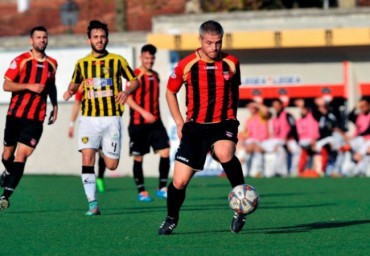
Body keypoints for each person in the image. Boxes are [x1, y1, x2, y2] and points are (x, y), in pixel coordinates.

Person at [158, 20, 246, 235]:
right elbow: (170, 92)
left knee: (224, 152)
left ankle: (241, 206)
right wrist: (179, 121)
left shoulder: (232, 63)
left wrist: (232, 117)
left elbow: (235, 91)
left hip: (223, 123)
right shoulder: (186, 65)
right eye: (209, 43)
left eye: (218, 42)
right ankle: (171, 218)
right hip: (195, 128)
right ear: (200, 40)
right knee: (179, 182)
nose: (214, 47)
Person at [63, 20, 138, 216]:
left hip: (112, 118)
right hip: (89, 119)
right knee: (87, 157)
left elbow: (135, 81)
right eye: (95, 37)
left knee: (112, 165)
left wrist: (127, 91)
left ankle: (104, 150)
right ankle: (92, 203)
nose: (99, 40)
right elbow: (74, 84)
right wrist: (69, 91)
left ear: (107, 39)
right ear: (89, 40)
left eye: (102, 36)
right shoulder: (81, 64)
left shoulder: (118, 60)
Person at [0, 26, 58, 210]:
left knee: (22, 156)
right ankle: (7, 172)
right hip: (15, 116)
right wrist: (29, 86)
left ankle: (6, 195)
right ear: (31, 41)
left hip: (35, 119)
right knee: (7, 155)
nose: (42, 40)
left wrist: (55, 105)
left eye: (44, 37)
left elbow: (51, 86)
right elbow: (6, 85)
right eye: (38, 37)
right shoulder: (21, 61)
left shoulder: (53, 64)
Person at [126, 44, 170, 202]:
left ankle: (162, 188)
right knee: (139, 158)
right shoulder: (134, 75)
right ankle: (142, 191)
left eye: (152, 58)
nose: (149, 61)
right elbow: (128, 99)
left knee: (165, 152)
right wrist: (143, 112)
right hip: (138, 124)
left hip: (156, 123)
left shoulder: (156, 75)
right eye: (146, 58)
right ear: (141, 58)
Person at [68, 85, 107, 193]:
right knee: (88, 155)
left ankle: (100, 178)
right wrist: (71, 124)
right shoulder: (82, 86)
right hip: (88, 124)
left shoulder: (103, 81)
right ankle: (90, 184)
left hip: (104, 123)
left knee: (103, 154)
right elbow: (76, 104)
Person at [260, 99, 298, 177]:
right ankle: (264, 171)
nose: (276, 106)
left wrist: (287, 140)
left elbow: (293, 127)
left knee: (288, 150)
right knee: (260, 146)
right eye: (274, 105)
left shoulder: (287, 115)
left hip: (288, 139)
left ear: (281, 105)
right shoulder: (274, 117)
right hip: (277, 140)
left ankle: (286, 171)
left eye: (278, 104)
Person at [241, 102, 270, 177]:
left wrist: (256, 104)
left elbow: (266, 111)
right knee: (248, 147)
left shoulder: (262, 116)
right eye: (250, 107)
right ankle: (245, 171)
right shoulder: (248, 119)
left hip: (262, 141)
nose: (251, 109)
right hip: (251, 142)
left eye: (253, 107)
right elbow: (245, 134)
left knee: (253, 147)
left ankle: (258, 171)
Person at [346, 97, 370, 176]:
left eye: (364, 106)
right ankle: (351, 170)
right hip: (360, 140)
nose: (363, 108)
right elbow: (350, 116)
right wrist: (355, 107)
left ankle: (356, 170)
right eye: (361, 106)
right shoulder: (360, 116)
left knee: (364, 152)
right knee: (346, 147)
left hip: (367, 139)